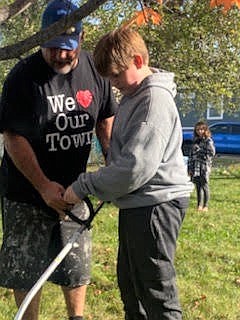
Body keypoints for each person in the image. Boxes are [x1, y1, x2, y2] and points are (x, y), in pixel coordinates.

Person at [64, 27, 193, 320]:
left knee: (155, 291)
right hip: (138, 204)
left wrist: (85, 185)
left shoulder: (153, 101)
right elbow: (124, 159)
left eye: (116, 76)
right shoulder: (135, 95)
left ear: (137, 60)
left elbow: (133, 169)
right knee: (131, 286)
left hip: (156, 205)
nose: (114, 84)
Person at [0, 0, 117, 319]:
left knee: (75, 265)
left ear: (81, 38)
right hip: (26, 193)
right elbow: (13, 137)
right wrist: (42, 186)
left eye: (67, 47)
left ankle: (76, 317)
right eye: (52, 47)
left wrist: (113, 162)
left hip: (74, 189)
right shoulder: (22, 78)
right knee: (25, 269)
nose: (61, 55)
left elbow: (105, 120)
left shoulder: (96, 70)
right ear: (41, 39)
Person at [188, 121, 215, 212]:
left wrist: (202, 156)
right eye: (198, 129)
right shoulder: (195, 141)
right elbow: (191, 155)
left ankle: (205, 205)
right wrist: (189, 168)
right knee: (198, 186)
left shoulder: (208, 140)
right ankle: (199, 205)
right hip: (195, 166)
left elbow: (211, 153)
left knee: (204, 185)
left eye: (202, 129)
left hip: (204, 166)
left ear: (205, 130)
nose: (200, 131)